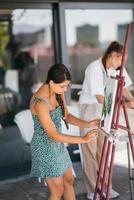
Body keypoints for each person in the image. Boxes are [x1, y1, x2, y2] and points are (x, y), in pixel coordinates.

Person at [30, 63, 100, 200]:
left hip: (57, 145)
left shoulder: (57, 92)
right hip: (45, 148)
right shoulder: (39, 103)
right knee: (57, 190)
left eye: (66, 86)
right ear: (51, 82)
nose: (64, 90)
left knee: (69, 181)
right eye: (62, 86)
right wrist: (83, 139)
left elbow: (66, 116)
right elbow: (53, 135)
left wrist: (88, 123)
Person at [79, 41, 134, 200]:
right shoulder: (94, 68)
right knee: (90, 150)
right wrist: (122, 104)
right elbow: (100, 97)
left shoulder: (117, 67)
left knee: (103, 150)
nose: (122, 63)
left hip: (105, 110)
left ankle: (106, 187)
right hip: (90, 107)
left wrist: (132, 101)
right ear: (113, 55)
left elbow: (124, 87)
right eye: (121, 59)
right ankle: (92, 189)